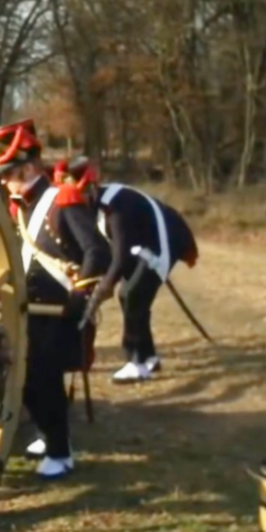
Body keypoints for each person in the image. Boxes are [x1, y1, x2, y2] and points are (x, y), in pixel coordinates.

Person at [0, 118, 112, 478]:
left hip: (60, 307)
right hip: (28, 306)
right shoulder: (20, 206)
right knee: (20, 374)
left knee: (43, 377)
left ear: (31, 166)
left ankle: (61, 450)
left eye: (10, 172)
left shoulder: (61, 201)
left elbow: (97, 252)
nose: (4, 180)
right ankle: (45, 431)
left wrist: (82, 296)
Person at [54, 156, 199, 383]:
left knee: (130, 294)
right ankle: (149, 356)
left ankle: (137, 362)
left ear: (91, 188)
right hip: (141, 246)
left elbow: (120, 255)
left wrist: (104, 287)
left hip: (162, 240)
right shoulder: (95, 205)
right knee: (132, 298)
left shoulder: (115, 207)